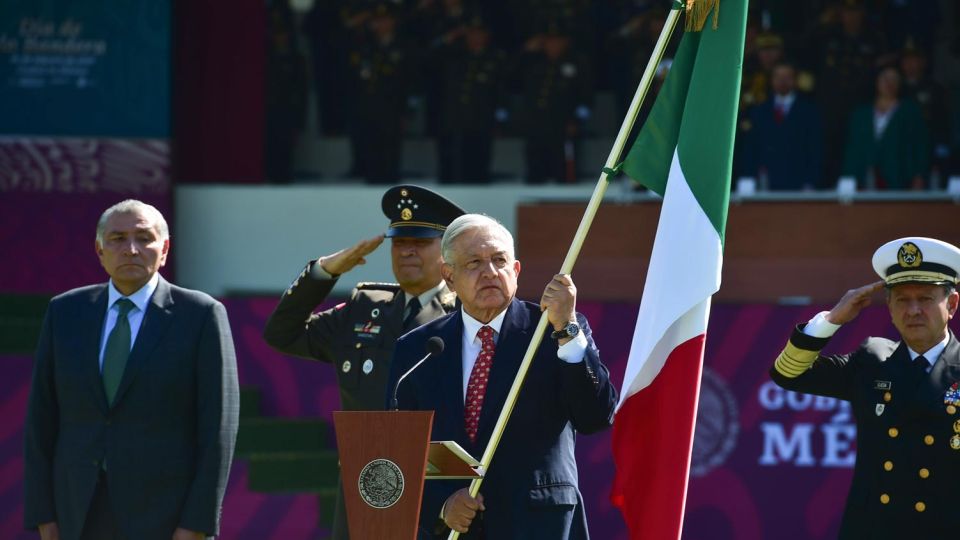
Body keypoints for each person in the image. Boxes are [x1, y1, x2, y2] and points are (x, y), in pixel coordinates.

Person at [388, 214, 617, 538]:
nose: (490, 272)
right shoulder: (418, 349)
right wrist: (439, 506)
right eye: (474, 263)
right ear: (449, 277)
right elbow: (398, 454)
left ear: (516, 270)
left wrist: (566, 328)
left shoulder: (554, 329)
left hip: (539, 524)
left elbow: (597, 415)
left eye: (499, 260)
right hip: (455, 530)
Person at [23, 200, 240, 540]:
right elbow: (41, 420)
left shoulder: (200, 315)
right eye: (117, 239)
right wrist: (42, 514)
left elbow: (218, 430)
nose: (131, 249)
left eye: (144, 238)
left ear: (165, 249)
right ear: (99, 250)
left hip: (166, 517)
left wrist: (197, 524)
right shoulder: (65, 312)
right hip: (77, 513)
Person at [262, 184, 465, 538]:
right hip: (363, 483)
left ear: (447, 253)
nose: (407, 252)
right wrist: (324, 272)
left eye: (420, 243)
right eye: (400, 243)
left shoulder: (465, 314)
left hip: (433, 489)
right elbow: (282, 333)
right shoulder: (364, 307)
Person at [769, 236, 960, 539]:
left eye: (924, 298)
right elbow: (788, 374)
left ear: (951, 304)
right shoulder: (872, 359)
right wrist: (831, 321)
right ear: (889, 306)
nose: (913, 310)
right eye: (901, 299)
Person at [841, 66, 930, 190]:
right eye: (885, 78)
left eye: (894, 79)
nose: (889, 83)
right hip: (864, 181)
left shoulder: (910, 111)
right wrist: (848, 178)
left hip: (899, 179)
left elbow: (920, 146)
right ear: (876, 81)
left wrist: (919, 176)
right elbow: (852, 149)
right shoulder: (861, 113)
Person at [741, 61, 823, 190]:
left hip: (798, 184)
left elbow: (815, 149)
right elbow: (751, 149)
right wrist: (748, 180)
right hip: (764, 184)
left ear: (795, 80)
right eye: (778, 77)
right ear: (771, 80)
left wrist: (810, 183)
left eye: (787, 77)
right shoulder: (758, 111)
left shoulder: (809, 112)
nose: (782, 81)